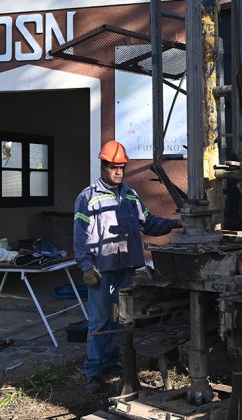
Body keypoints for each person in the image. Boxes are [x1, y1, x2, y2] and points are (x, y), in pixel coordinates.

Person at [73, 140, 183, 394]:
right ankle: (94, 372)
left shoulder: (131, 195)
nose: (118, 171)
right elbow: (80, 236)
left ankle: (113, 364)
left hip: (127, 268)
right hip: (102, 270)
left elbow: (149, 224)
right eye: (113, 167)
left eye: (122, 167)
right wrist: (86, 266)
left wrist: (177, 222)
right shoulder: (87, 198)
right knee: (100, 321)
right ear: (103, 166)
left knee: (124, 319)